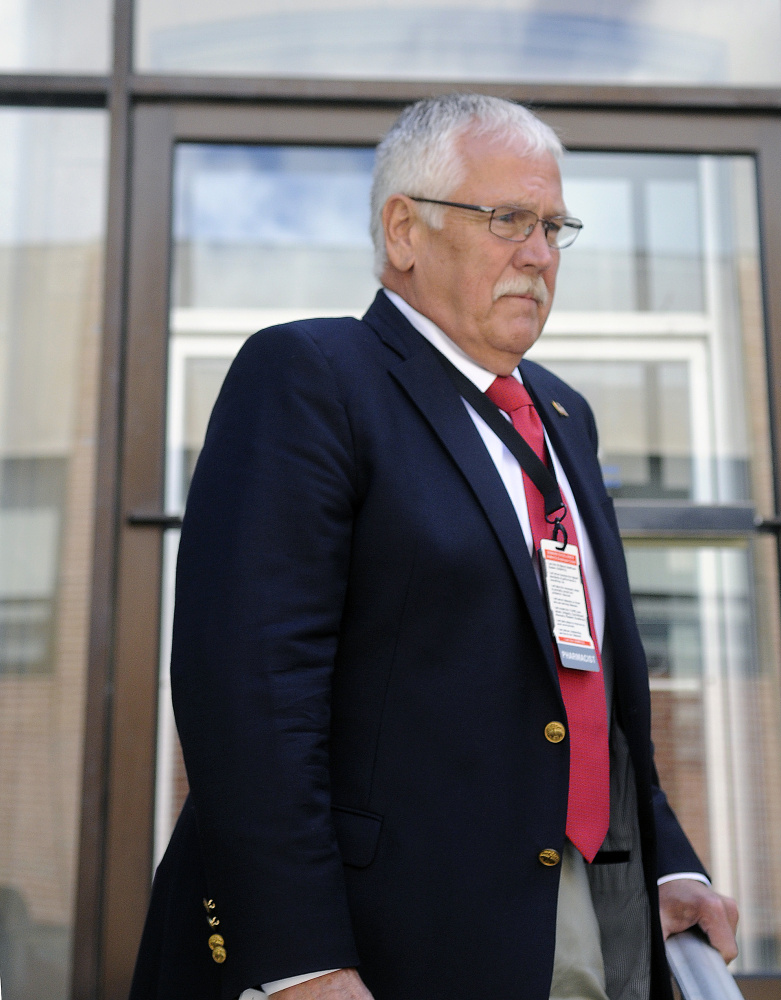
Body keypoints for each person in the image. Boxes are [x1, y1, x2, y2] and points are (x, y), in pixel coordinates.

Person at [129, 93, 738, 1000]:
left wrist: (663, 865)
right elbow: (250, 693)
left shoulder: (564, 417)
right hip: (376, 941)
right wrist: (302, 960)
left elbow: (589, 692)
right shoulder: (312, 376)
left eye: (552, 226)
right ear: (403, 230)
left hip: (575, 918)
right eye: (506, 220)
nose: (538, 254)